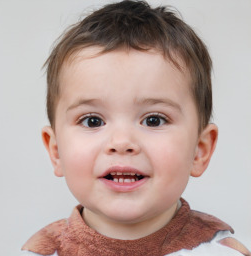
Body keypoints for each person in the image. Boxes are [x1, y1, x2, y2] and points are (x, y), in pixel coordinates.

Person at [21, 1, 251, 255]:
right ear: (56, 151)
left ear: (200, 150)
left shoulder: (221, 251)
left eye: (154, 120)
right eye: (93, 121)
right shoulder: (41, 250)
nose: (121, 142)